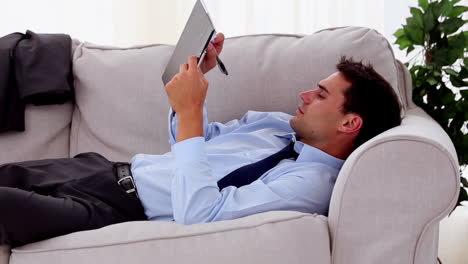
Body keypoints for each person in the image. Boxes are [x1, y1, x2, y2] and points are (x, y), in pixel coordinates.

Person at [0, 33, 402, 247]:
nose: (304, 96)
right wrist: (197, 77)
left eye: (321, 94)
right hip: (99, 169)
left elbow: (201, 215)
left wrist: (190, 112)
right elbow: (197, 141)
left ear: (350, 123)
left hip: (111, 209)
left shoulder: (309, 185)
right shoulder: (279, 126)